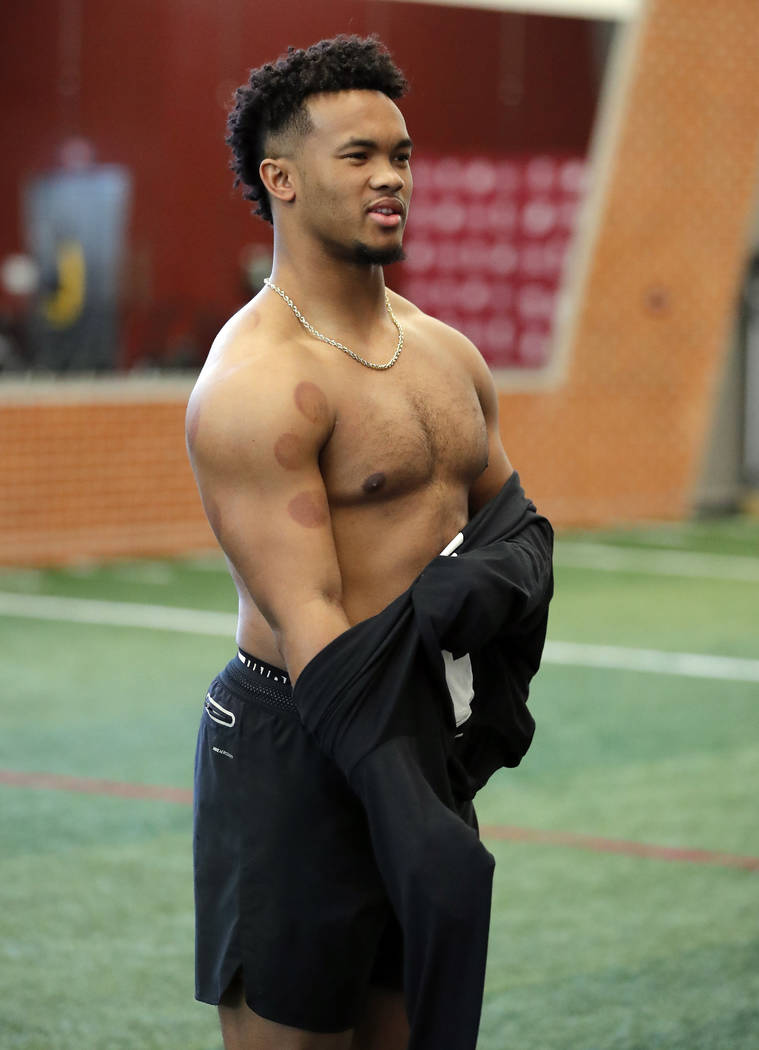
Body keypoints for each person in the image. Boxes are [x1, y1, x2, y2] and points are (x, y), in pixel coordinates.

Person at [186, 35, 553, 1050]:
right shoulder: (258, 383)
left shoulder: (445, 355)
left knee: (409, 1032)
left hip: (412, 727)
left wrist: (493, 691)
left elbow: (516, 529)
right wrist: (408, 805)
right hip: (299, 740)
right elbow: (310, 618)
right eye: (358, 156)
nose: (391, 177)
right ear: (283, 180)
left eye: (400, 154)